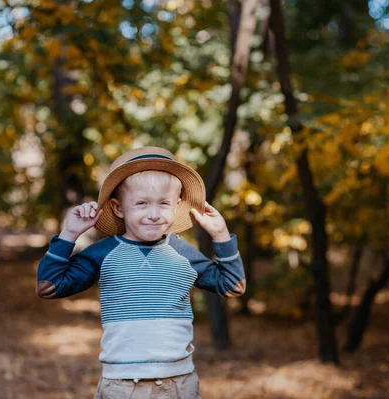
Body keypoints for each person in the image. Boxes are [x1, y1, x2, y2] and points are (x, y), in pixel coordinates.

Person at [36, 146, 246, 399]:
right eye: (141, 203)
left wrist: (221, 235)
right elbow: (49, 287)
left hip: (178, 383)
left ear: (176, 205)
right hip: (123, 385)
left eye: (164, 203)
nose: (154, 215)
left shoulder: (182, 252)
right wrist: (69, 234)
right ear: (118, 208)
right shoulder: (103, 253)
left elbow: (234, 285)